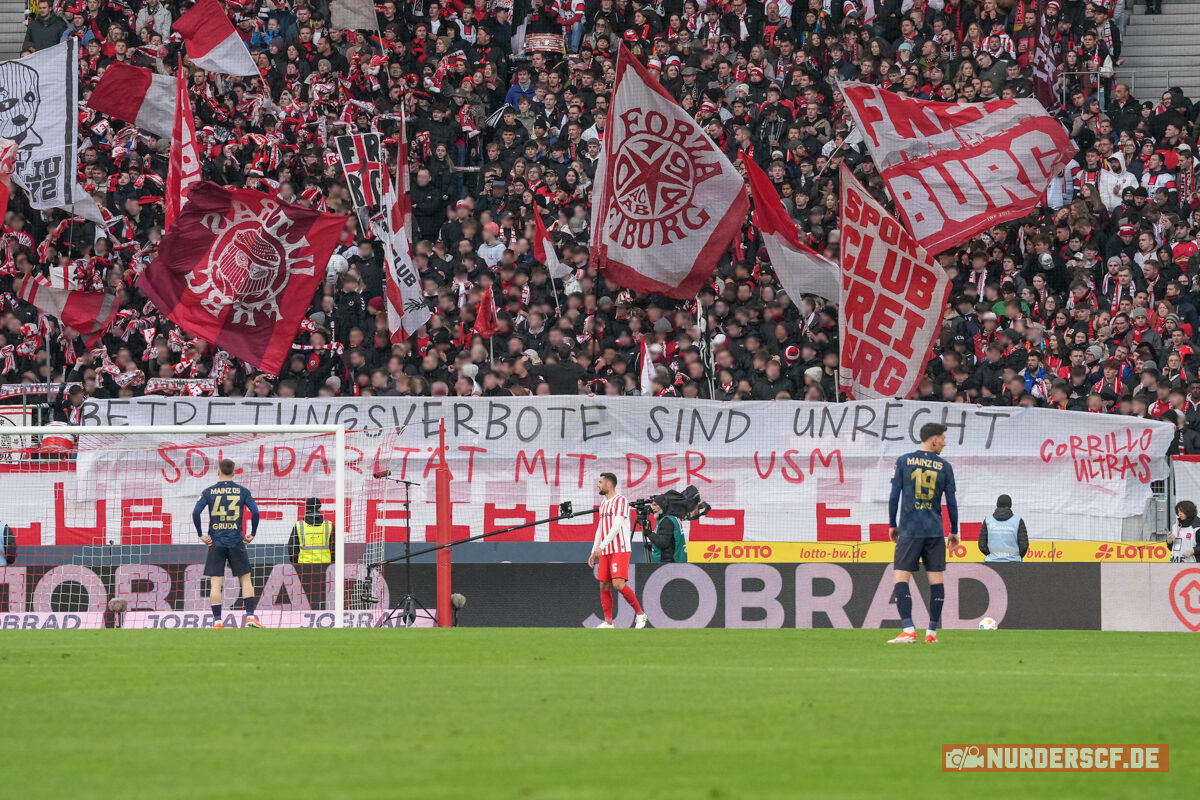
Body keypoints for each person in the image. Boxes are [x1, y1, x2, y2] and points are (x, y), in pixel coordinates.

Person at [887, 422, 958, 644]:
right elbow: (952, 502)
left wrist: (892, 523)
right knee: (936, 581)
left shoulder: (904, 461)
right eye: (943, 439)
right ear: (934, 439)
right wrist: (954, 530)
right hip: (935, 531)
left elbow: (893, 496)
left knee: (901, 577)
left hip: (910, 528)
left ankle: (908, 630)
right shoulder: (945, 466)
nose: (945, 443)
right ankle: (931, 633)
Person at [193, 459, 263, 628]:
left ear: (218, 471)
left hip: (215, 542)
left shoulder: (209, 491)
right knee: (246, 580)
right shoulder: (243, 491)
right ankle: (251, 617)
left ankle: (217, 621)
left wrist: (201, 535)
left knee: (216, 583)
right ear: (234, 472)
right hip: (235, 541)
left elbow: (196, 512)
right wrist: (252, 533)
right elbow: (255, 512)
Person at [587, 472, 648, 629]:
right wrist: (594, 550)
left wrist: (602, 546)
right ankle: (609, 622)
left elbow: (617, 526)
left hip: (620, 548)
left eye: (600, 482)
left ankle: (640, 614)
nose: (598, 485)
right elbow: (600, 528)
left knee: (618, 584)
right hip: (606, 550)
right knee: (604, 585)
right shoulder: (603, 504)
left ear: (609, 484)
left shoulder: (621, 501)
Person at [977, 495, 1029, 562]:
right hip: (1014, 562)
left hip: (992, 562)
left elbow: (981, 545)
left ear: (997, 504)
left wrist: (993, 555)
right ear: (1010, 505)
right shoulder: (1018, 520)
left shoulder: (988, 520)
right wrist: (1016, 556)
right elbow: (1024, 545)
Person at [288, 497, 335, 564]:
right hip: (325, 566)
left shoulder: (299, 525)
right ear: (319, 508)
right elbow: (334, 548)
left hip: (303, 566)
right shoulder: (329, 525)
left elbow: (292, 547)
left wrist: (296, 564)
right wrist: (332, 564)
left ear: (307, 508)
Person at [645, 499, 687, 563]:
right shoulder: (672, 518)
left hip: (667, 563)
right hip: (674, 560)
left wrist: (649, 534)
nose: (652, 508)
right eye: (652, 505)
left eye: (655, 505)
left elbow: (663, 542)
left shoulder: (666, 521)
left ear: (662, 506)